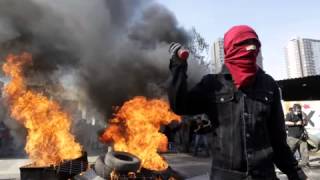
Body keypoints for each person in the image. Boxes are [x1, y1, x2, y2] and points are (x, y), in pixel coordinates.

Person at [167, 25, 307, 179]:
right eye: (243, 43)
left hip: (264, 175)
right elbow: (180, 106)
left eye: (255, 43)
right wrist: (178, 67)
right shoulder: (212, 84)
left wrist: (296, 173)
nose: (251, 48)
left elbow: (278, 140)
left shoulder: (269, 85)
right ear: (229, 49)